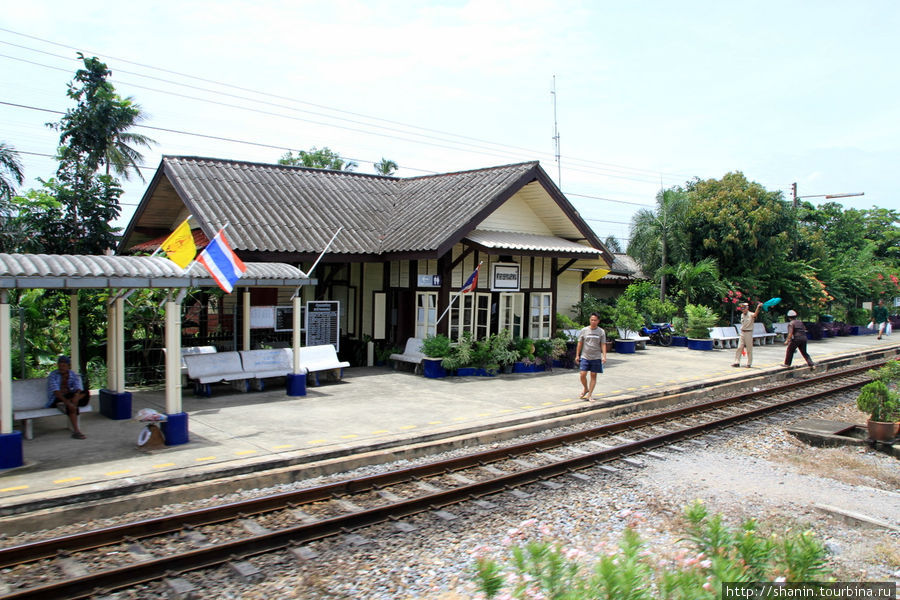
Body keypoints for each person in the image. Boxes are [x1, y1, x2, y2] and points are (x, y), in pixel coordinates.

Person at [46, 355, 88, 439]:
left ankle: (71, 402)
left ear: (68, 366)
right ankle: (76, 431)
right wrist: (67, 402)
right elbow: (56, 392)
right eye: (60, 365)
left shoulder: (72, 374)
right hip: (57, 398)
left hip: (70, 396)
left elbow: (78, 387)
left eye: (64, 365)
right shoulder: (53, 375)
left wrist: (76, 396)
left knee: (85, 392)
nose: (62, 367)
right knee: (71, 406)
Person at [575, 312, 607, 401]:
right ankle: (585, 388)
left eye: (595, 320)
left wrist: (604, 356)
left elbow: (603, 344)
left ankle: (590, 394)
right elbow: (580, 343)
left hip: (596, 357)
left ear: (598, 321)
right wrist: (577, 355)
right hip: (585, 356)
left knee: (593, 375)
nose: (593, 322)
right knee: (582, 374)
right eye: (591, 320)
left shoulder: (601, 332)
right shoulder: (584, 330)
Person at [732, 301, 763, 368]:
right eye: (742, 308)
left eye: (744, 308)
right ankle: (736, 362)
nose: (743, 310)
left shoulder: (751, 314)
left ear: (747, 308)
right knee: (739, 348)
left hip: (748, 332)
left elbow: (755, 315)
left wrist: (758, 307)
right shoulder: (742, 315)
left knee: (749, 348)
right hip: (742, 332)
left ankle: (749, 363)